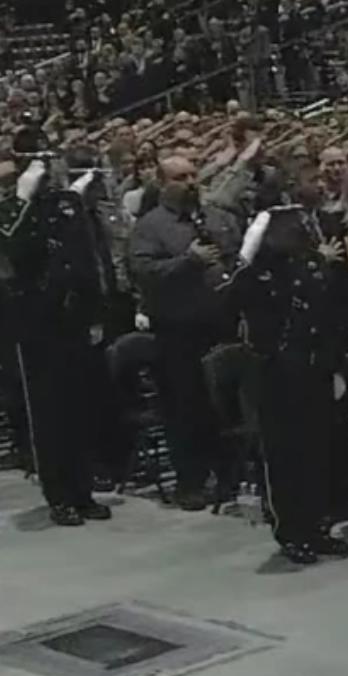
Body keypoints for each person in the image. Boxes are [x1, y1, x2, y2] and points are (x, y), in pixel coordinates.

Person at [229, 155, 348, 564]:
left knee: (319, 448)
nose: (320, 185)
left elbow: (326, 302)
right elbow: (252, 290)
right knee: (286, 452)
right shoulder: (270, 230)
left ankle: (318, 524)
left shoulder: (318, 226)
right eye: (311, 178)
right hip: (279, 362)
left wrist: (334, 360)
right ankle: (293, 530)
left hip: (315, 358)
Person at [1, 143, 114, 526]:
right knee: (48, 414)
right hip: (37, 324)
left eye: (54, 160)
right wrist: (22, 198)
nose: (51, 169)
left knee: (80, 408)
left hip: (75, 320)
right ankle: (59, 495)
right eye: (43, 163)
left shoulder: (69, 204)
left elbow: (88, 257)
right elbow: (12, 246)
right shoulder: (15, 207)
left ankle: (83, 491)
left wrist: (96, 311)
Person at [128, 153, 242, 511]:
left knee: (226, 406)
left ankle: (229, 476)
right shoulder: (150, 226)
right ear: (162, 184)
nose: (191, 182)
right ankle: (190, 482)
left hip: (221, 323)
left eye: (194, 174)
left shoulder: (217, 218)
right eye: (180, 177)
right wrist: (187, 262)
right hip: (178, 330)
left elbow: (238, 255)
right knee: (185, 407)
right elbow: (143, 272)